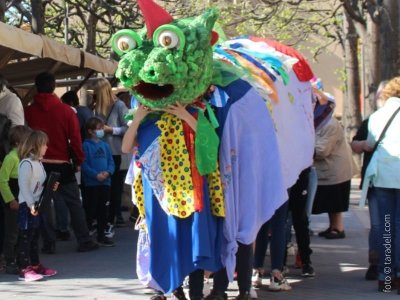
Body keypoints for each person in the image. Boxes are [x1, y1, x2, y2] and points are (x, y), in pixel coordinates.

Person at [24, 71, 98, 253]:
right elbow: (74, 138)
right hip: (61, 164)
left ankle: (49, 243)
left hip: (38, 164)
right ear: (54, 86)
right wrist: (79, 159)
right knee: (74, 202)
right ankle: (84, 239)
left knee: (43, 204)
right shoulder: (66, 111)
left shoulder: (29, 111)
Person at [358, 76, 400, 293]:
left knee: (385, 226)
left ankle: (385, 276)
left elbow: (371, 143)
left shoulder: (377, 116)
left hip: (382, 174)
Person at [351, 81, 388, 281]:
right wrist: (364, 144)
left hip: (385, 179)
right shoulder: (371, 120)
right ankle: (377, 264)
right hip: (375, 179)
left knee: (386, 224)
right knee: (378, 225)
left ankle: (386, 268)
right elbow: (355, 143)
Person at [312, 89, 353, 239]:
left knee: (335, 202)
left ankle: (338, 228)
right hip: (330, 169)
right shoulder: (321, 121)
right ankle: (333, 226)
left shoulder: (329, 124)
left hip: (334, 170)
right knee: (332, 202)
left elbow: (323, 150)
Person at [16, 130, 57, 282]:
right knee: (25, 237)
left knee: (34, 237)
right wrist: (31, 204)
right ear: (36, 145)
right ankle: (24, 268)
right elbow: (24, 187)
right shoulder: (26, 164)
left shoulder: (38, 162)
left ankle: (34, 265)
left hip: (36, 206)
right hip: (27, 206)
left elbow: (40, 185)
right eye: (44, 144)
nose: (46, 147)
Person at [93, 78, 129, 234]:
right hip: (101, 153)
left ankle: (111, 220)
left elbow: (128, 129)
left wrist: (111, 130)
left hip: (115, 152)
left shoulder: (119, 106)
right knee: (103, 188)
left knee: (115, 188)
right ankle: (103, 219)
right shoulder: (98, 108)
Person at [0, 125, 31, 275]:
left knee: (22, 231)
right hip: (13, 202)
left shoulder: (26, 159)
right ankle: (10, 260)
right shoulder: (10, 158)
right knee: (12, 233)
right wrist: (10, 200)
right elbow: (2, 181)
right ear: (18, 143)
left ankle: (21, 258)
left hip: (24, 201)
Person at [81, 117, 115, 247]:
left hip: (105, 183)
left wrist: (108, 173)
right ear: (90, 131)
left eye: (102, 128)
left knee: (103, 210)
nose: (101, 131)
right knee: (90, 209)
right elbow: (84, 164)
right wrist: (96, 175)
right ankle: (87, 234)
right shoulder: (85, 145)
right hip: (91, 184)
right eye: (98, 128)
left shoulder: (105, 145)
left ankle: (101, 235)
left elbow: (111, 162)